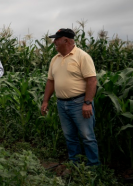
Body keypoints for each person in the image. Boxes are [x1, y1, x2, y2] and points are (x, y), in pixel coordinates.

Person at [41, 28, 100, 166]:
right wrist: (45, 101)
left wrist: (87, 102)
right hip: (62, 104)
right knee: (70, 137)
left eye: (57, 39)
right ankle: (75, 164)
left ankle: (93, 168)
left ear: (66, 40)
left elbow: (92, 80)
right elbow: (50, 81)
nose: (54, 42)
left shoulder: (82, 56)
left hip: (80, 103)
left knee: (87, 137)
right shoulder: (55, 59)